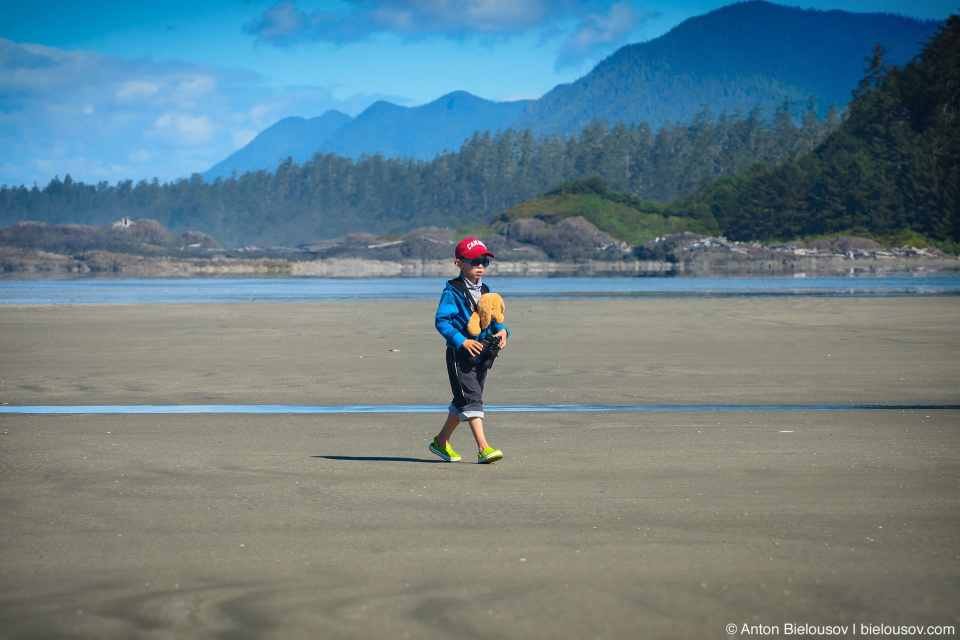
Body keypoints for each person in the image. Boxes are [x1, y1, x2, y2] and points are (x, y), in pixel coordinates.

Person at [430, 237, 509, 464]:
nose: (481, 266)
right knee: (472, 398)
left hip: (482, 353)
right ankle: (483, 448)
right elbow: (442, 321)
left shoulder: (485, 290)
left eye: (484, 261)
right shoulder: (452, 292)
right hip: (460, 354)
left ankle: (441, 440)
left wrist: (503, 332)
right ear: (459, 263)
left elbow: (493, 319)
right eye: (475, 262)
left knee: (463, 400)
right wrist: (461, 341)